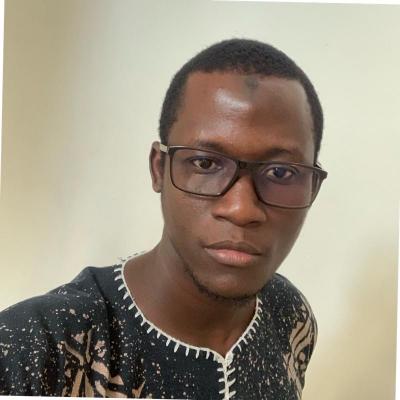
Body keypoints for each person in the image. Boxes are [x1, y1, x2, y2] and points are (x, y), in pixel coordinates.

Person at [0, 38, 327, 399]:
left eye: (281, 173)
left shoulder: (289, 315)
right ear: (159, 169)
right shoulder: (33, 348)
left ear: (313, 187)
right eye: (205, 163)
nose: (242, 209)